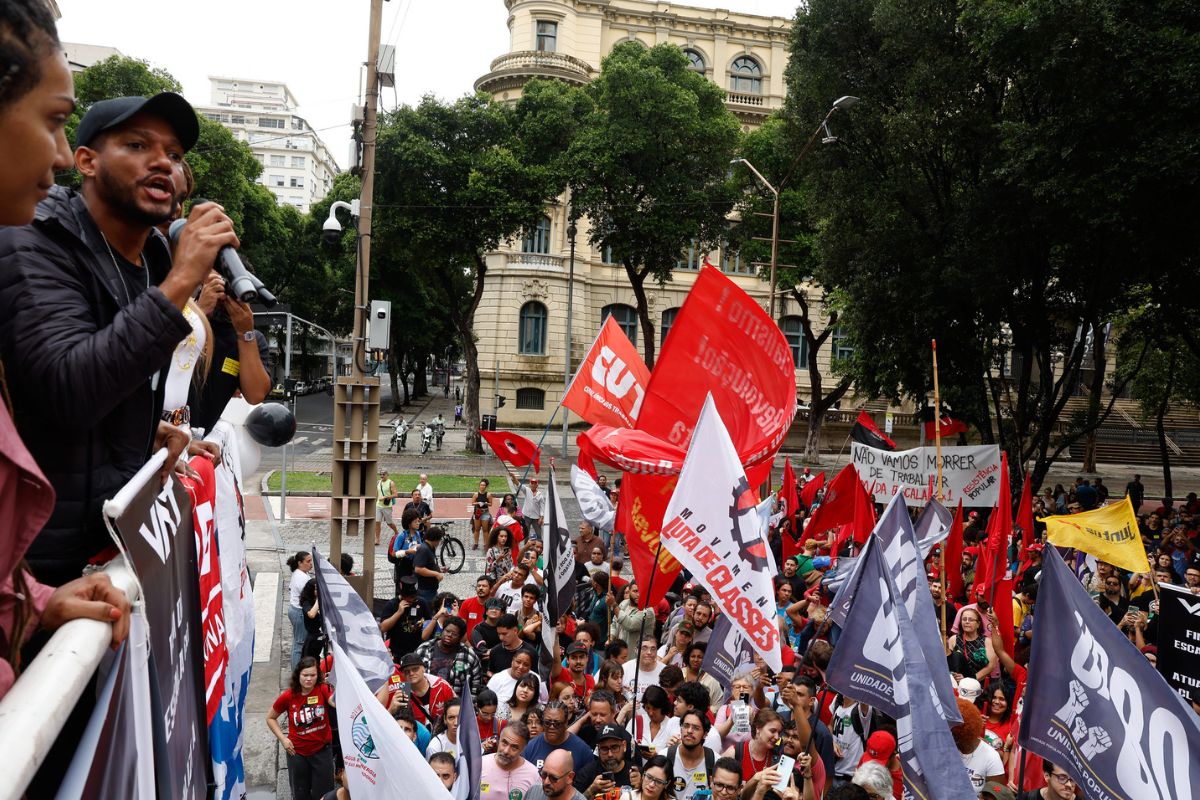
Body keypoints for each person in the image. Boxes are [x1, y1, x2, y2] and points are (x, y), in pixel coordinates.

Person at [0, 86, 237, 587]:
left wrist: (147, 443)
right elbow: (71, 390)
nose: (163, 164)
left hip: (100, 547)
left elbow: (120, 383)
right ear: (84, 161)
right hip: (32, 566)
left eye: (174, 154)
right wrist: (182, 280)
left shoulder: (149, 259)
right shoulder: (33, 240)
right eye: (137, 146)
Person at [267, 657, 335, 800]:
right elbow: (270, 718)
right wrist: (283, 740)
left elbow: (335, 703)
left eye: (313, 675)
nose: (309, 679)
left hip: (322, 751)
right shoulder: (288, 696)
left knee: (324, 794)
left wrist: (336, 684)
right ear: (298, 675)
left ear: (318, 675)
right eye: (305, 675)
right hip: (297, 754)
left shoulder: (323, 689)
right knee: (300, 794)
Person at [416, 613, 484, 697]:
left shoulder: (469, 656)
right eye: (447, 631)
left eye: (454, 634)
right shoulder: (424, 649)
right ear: (442, 630)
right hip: (427, 702)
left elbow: (476, 684)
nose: (449, 635)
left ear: (460, 637)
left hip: (455, 704)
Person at [524, 700, 596, 773]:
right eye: (547, 723)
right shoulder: (530, 748)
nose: (552, 727)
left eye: (557, 724)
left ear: (566, 723)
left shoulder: (583, 751)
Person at [951, 698, 1005, 793]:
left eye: (955, 736)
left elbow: (996, 795)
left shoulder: (991, 758)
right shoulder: (945, 748)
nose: (951, 740)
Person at [480, 720, 540, 800]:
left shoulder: (534, 775)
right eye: (504, 743)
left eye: (514, 747)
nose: (506, 751)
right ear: (498, 740)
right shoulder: (479, 765)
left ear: (523, 749)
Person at [380, 576, 432, 666]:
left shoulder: (422, 602)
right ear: (404, 596)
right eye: (412, 597)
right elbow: (383, 628)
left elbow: (429, 622)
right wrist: (399, 613)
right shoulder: (392, 604)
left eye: (415, 596)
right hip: (397, 651)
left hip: (417, 650)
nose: (414, 599)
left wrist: (423, 623)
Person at [666, 710, 717, 800]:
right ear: (680, 729)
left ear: (705, 734)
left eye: (696, 728)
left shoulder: (715, 761)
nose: (689, 731)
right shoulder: (665, 756)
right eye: (686, 726)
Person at [574, 723, 634, 796]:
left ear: (624, 746)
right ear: (598, 749)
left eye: (614, 748)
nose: (610, 754)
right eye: (604, 749)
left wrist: (639, 788)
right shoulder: (585, 774)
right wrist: (590, 791)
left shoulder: (635, 774)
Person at [397, 652, 455, 728]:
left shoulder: (441, 686)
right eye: (407, 671)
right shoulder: (403, 691)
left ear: (423, 669)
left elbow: (456, 712)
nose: (411, 673)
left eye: (415, 669)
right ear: (403, 674)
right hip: (418, 737)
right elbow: (403, 722)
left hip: (443, 735)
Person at [948, 607, 997, 683]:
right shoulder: (953, 639)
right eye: (964, 619)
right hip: (956, 684)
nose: (967, 622)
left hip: (978, 684)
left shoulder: (986, 641)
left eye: (970, 620)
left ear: (978, 624)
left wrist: (970, 680)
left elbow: (991, 666)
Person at [389, 508, 424, 596]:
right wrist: (407, 552)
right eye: (415, 522)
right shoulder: (402, 536)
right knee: (401, 590)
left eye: (418, 521)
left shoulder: (417, 534)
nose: (418, 523)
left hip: (413, 565)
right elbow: (394, 553)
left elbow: (420, 545)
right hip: (402, 566)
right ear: (409, 523)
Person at [287, 551, 313, 668]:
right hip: (299, 612)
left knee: (298, 641)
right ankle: (296, 672)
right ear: (300, 563)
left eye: (311, 560)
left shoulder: (299, 573)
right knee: (299, 644)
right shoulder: (301, 577)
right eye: (308, 561)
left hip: (295, 610)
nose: (311, 564)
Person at [623, 637, 665, 702]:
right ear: (636, 650)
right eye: (644, 648)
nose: (649, 652)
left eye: (653, 649)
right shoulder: (625, 669)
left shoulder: (665, 671)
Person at [413, 525, 447, 605]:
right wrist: (436, 574)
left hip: (431, 589)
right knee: (428, 612)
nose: (439, 542)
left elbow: (428, 564)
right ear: (435, 539)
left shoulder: (430, 548)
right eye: (439, 540)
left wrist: (439, 569)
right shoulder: (424, 549)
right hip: (425, 590)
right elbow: (418, 569)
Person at [511, 471, 547, 540]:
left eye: (535, 483)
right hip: (526, 516)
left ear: (537, 485)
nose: (533, 485)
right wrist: (513, 476)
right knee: (526, 533)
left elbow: (542, 507)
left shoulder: (540, 495)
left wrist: (541, 517)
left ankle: (540, 545)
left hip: (536, 517)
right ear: (530, 484)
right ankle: (526, 546)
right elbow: (518, 484)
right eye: (532, 483)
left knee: (539, 533)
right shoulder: (527, 490)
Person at [298, 578, 325, 660]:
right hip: (313, 640)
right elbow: (311, 614)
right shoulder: (307, 603)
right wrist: (318, 600)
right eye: (317, 589)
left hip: (323, 639)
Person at [376, 467, 400, 545]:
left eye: (383, 474)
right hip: (378, 505)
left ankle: (396, 532)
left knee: (389, 523)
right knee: (377, 522)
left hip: (387, 506)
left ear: (387, 475)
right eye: (380, 474)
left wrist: (385, 497)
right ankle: (377, 539)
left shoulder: (391, 483)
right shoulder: (378, 482)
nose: (382, 476)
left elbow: (395, 494)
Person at [470, 478, 496, 550]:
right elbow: (472, 503)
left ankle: (485, 544)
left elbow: (490, 504)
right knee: (477, 529)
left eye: (484, 485)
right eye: (481, 485)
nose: (482, 486)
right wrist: (478, 503)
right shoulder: (476, 494)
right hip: (477, 513)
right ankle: (476, 543)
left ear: (486, 486)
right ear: (479, 485)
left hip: (485, 513)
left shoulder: (488, 495)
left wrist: (485, 503)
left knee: (485, 530)